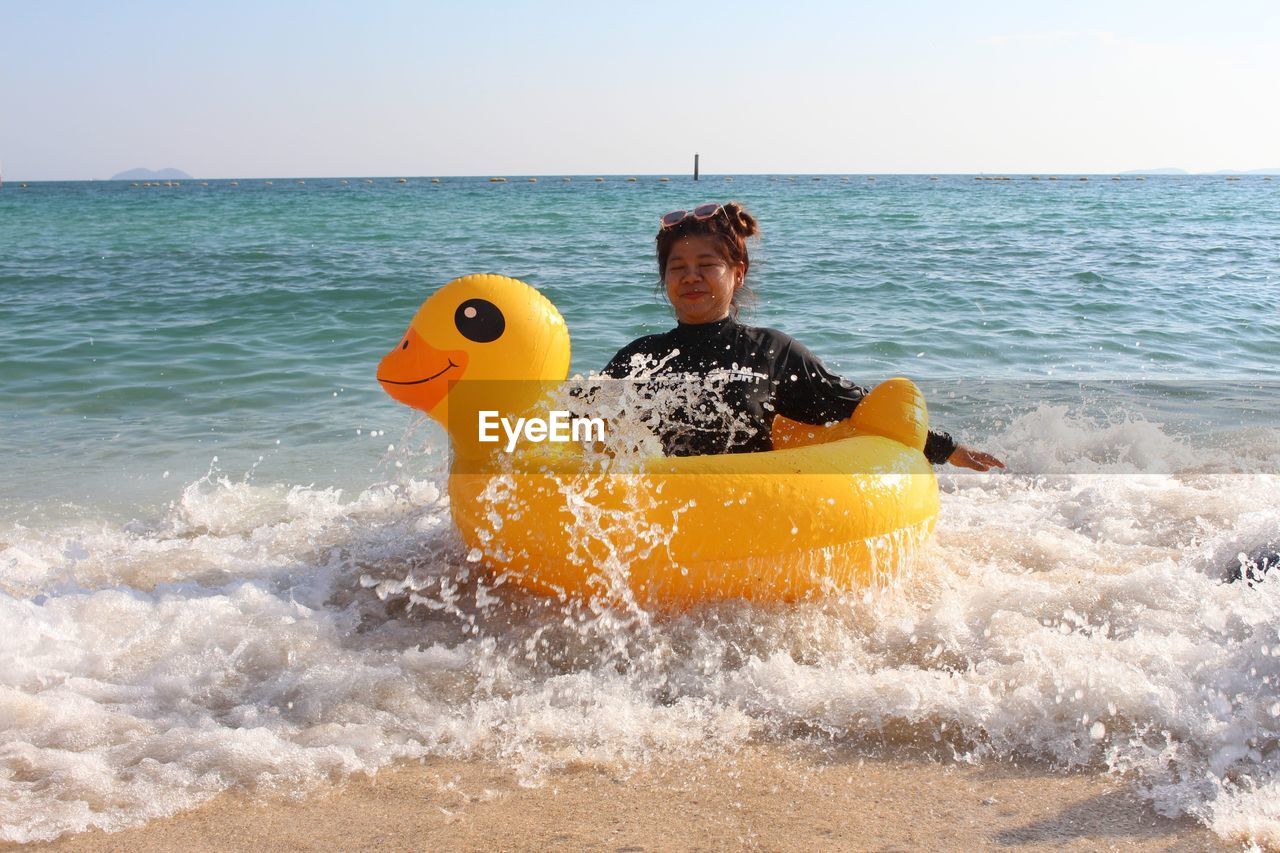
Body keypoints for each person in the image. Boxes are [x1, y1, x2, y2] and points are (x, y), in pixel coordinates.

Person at [599, 201, 1004, 471]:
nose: (690, 276)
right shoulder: (641, 357)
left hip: (742, 510)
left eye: (707, 264)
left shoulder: (771, 352)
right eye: (677, 267)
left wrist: (946, 448)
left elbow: (855, 407)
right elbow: (583, 423)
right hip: (660, 516)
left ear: (738, 272)